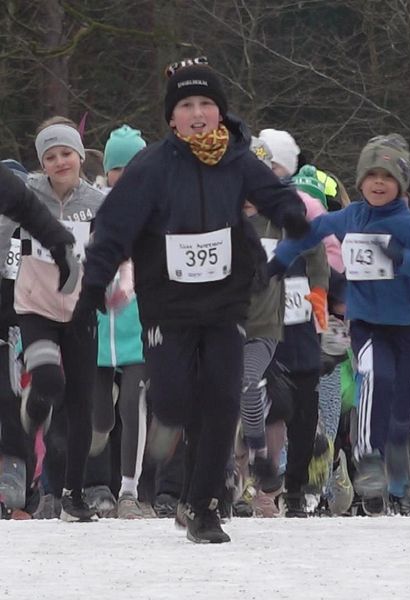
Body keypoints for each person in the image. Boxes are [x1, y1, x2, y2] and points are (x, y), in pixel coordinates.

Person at [74, 57, 307, 543]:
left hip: (226, 301)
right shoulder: (151, 167)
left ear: (220, 113)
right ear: (171, 117)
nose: (197, 113)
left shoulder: (239, 160)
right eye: (186, 105)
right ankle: (178, 430)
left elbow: (276, 196)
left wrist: (293, 216)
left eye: (206, 103)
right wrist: (95, 284)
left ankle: (202, 506)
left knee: (223, 397)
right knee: (176, 400)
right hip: (168, 303)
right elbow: (113, 227)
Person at [269, 133, 410, 511]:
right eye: (371, 176)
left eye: (386, 177)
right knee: (373, 376)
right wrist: (279, 259)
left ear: (399, 184)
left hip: (408, 328)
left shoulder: (407, 224)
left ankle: (394, 446)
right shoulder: (350, 217)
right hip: (366, 324)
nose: (378, 183)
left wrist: (401, 258)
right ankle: (367, 459)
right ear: (360, 180)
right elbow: (309, 232)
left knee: (401, 405)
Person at [0, 118, 105, 522]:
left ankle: (73, 494)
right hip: (35, 306)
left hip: (80, 311)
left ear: (80, 157)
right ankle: (37, 400)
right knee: (47, 378)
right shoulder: (27, 196)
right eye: (50, 156)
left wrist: (116, 287)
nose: (60, 162)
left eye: (66, 154)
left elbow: (114, 251)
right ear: (42, 163)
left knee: (82, 405)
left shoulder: (97, 204)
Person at [0, 161, 78, 518]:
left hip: (18, 317)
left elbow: (25, 204)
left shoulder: (18, 212)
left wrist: (60, 243)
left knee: (12, 396)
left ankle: (20, 483)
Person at [89, 125, 150, 519]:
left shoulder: (156, 212)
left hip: (137, 330)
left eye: (133, 168)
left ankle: (129, 490)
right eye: (117, 169)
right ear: (107, 172)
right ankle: (95, 483)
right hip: (96, 330)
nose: (124, 177)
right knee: (100, 417)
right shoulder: (92, 209)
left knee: (133, 405)